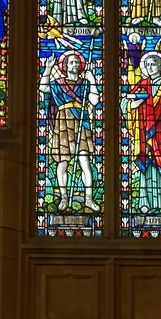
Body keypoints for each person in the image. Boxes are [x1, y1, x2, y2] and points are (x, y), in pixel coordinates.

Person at [121, 50, 161, 214]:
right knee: (146, 165)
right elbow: (125, 101)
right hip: (143, 131)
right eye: (147, 65)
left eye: (153, 64)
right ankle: (144, 202)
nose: (150, 67)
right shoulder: (142, 84)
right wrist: (131, 106)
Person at [40, 50, 100, 212]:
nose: (75, 64)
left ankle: (89, 198)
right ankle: (64, 198)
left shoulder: (85, 84)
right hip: (64, 122)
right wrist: (48, 68)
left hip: (81, 120)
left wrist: (92, 80)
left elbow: (94, 100)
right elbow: (43, 88)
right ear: (65, 66)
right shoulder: (58, 83)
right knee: (63, 162)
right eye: (71, 62)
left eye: (76, 62)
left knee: (84, 162)